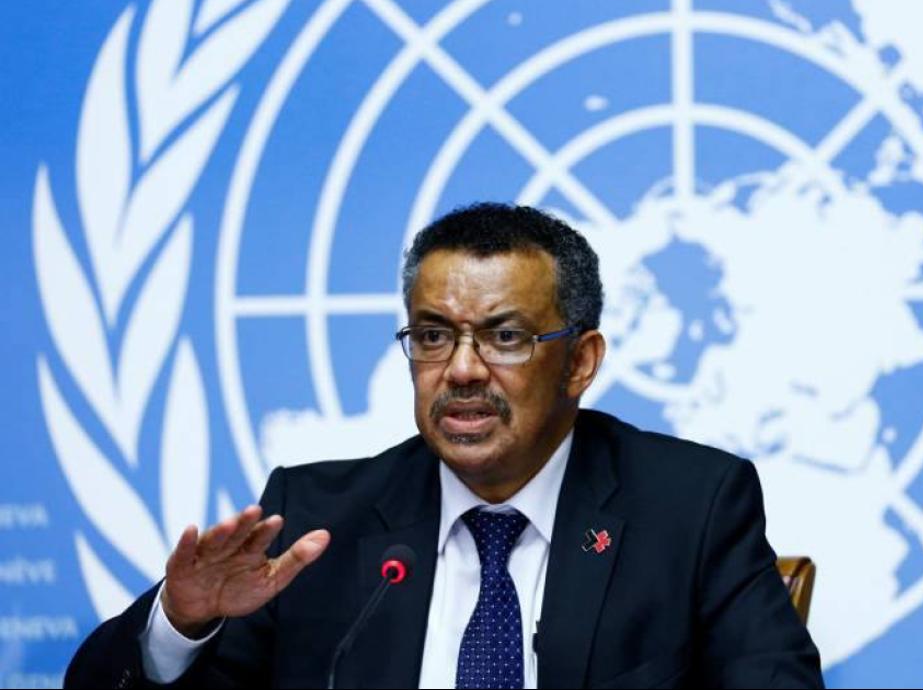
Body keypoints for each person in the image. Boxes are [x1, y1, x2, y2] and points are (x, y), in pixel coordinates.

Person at [65, 203, 823, 689]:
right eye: (432, 336)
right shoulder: (318, 522)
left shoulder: (690, 508)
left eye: (505, 337)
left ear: (580, 362)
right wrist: (182, 625)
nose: (461, 370)